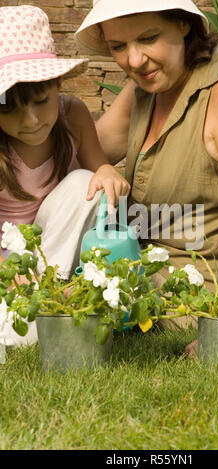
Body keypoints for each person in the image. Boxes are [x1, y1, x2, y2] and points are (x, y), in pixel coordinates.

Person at [75, 0, 218, 357]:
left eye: (148, 38)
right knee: (75, 187)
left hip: (194, 298)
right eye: (118, 47)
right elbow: (79, 155)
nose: (134, 61)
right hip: (133, 279)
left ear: (183, 25)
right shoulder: (145, 88)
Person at [0, 5, 130, 347]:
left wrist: (108, 174)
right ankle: (37, 313)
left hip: (57, 253)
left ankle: (52, 300)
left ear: (57, 83)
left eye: (41, 101)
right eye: (9, 108)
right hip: (8, 267)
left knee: (83, 184)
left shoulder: (73, 115)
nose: (30, 121)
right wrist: (14, 278)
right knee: (21, 331)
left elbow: (99, 167)